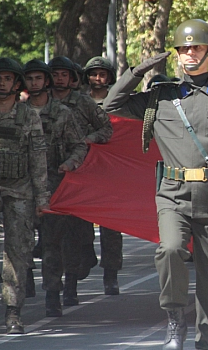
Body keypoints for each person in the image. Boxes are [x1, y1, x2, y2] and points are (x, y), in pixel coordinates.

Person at [105, 18, 208, 350]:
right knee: (171, 248)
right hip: (173, 195)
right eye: (185, 48)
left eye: (197, 48)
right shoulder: (158, 97)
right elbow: (110, 105)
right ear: (177, 53)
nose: (191, 53)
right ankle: (175, 316)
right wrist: (138, 70)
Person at [24, 59, 88, 317]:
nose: (34, 83)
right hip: (22, 186)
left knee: (53, 243)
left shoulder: (63, 113)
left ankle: (54, 292)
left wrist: (70, 163)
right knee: (21, 242)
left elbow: (79, 145)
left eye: (39, 78)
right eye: (29, 79)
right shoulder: (16, 113)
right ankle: (18, 293)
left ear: (46, 81)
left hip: (55, 185)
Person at [0, 57, 50, 334]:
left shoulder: (29, 117)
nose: (2, 83)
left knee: (17, 251)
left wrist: (42, 199)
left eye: (7, 79)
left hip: (20, 190)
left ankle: (13, 311)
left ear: (16, 84)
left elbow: (38, 159)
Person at [48, 55, 113, 306]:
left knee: (76, 231)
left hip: (81, 172)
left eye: (64, 74)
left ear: (72, 78)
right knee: (52, 234)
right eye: (55, 74)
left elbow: (107, 128)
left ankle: (71, 283)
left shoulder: (83, 102)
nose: (59, 78)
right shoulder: (41, 103)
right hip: (48, 174)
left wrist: (89, 140)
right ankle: (53, 286)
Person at [83, 56, 124, 295]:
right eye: (94, 74)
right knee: (81, 223)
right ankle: (86, 255)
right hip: (85, 168)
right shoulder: (78, 102)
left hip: (111, 172)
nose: (98, 78)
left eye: (103, 74)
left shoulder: (119, 102)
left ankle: (111, 274)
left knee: (111, 227)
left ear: (109, 77)